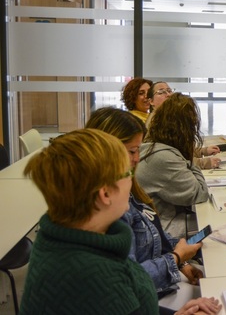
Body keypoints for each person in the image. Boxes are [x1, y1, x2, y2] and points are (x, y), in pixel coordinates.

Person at [20, 128, 222, 314]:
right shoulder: (95, 276)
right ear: (105, 193)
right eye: (127, 173)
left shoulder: (71, 237)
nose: (134, 178)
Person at [85, 107, 206, 309]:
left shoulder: (127, 189)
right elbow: (129, 283)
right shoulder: (110, 208)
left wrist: (182, 263)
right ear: (106, 150)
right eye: (132, 151)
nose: (137, 158)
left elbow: (154, 235)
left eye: (138, 150)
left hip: (157, 289)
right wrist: (176, 258)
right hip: (151, 296)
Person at [136, 93, 210, 238]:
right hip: (165, 233)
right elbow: (200, 193)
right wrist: (189, 154)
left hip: (164, 221)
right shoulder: (163, 158)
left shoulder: (156, 147)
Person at [146, 82, 221, 167]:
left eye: (169, 91)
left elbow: (179, 150)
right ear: (151, 101)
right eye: (161, 92)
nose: (168, 95)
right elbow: (175, 159)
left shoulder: (167, 118)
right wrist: (204, 163)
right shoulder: (156, 122)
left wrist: (202, 151)